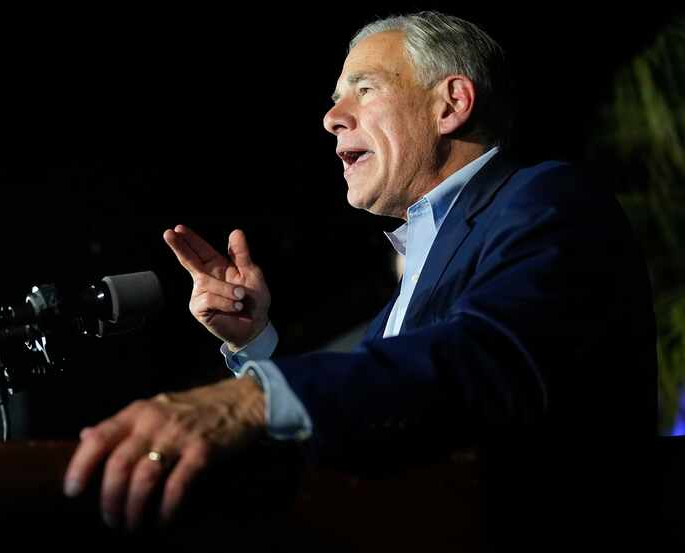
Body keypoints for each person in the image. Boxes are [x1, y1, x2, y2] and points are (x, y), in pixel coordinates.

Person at [63, 11, 656, 548]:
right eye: (334, 99)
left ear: (450, 104)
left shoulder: (545, 196)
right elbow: (385, 405)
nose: (330, 118)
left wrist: (250, 399)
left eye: (363, 91)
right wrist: (254, 347)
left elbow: (490, 357)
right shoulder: (414, 278)